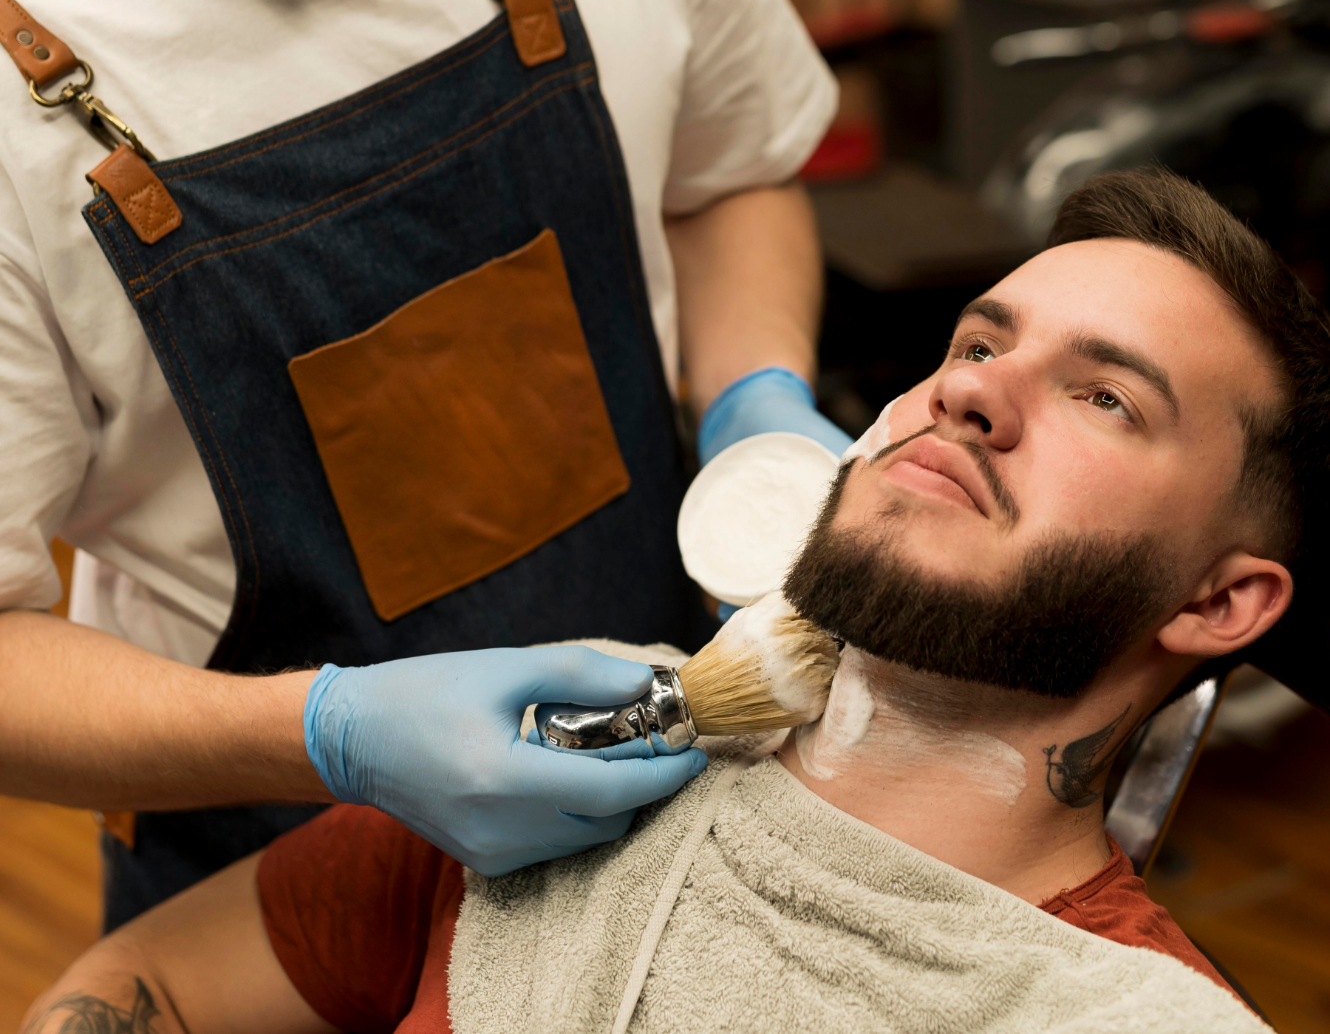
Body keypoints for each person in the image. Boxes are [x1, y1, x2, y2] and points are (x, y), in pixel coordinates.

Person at [25, 169, 1323, 1033]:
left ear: (1221, 601)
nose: (969, 388)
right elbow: (144, 985)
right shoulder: (552, 778)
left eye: (1105, 396)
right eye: (979, 342)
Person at [0, 0, 853, 928]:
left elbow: (727, 174)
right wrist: (329, 736)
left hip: (683, 788)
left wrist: (754, 397)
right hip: (279, 884)